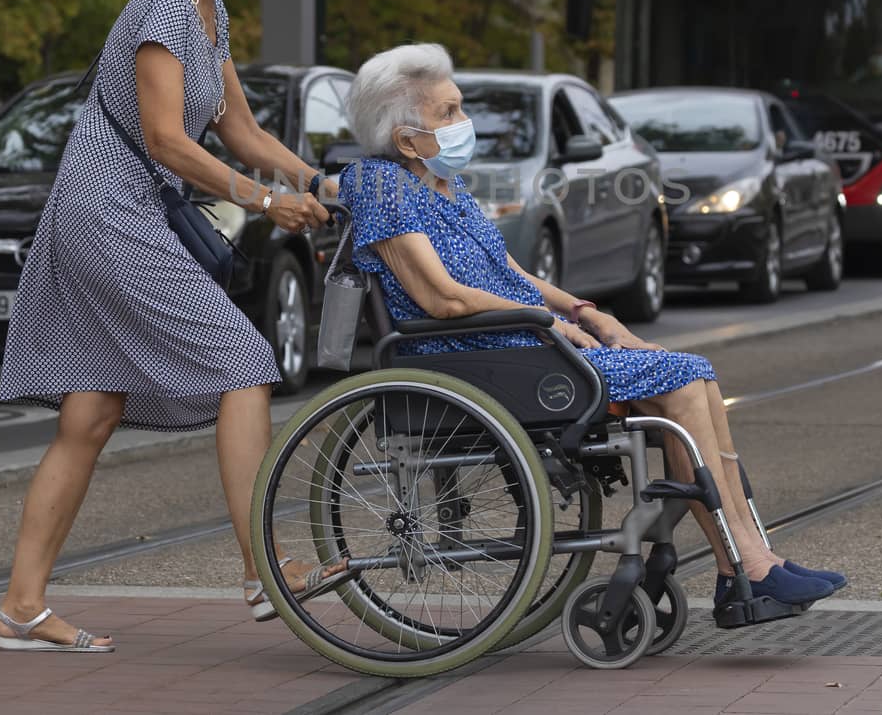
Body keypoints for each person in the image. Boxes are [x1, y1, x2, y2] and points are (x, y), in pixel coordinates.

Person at [337, 43, 846, 611]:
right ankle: (741, 568)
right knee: (681, 384)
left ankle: (755, 559)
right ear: (407, 138)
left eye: (461, 108)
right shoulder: (380, 185)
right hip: (485, 353)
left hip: (524, 340)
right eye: (448, 113)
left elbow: (511, 272)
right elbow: (444, 300)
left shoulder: (441, 185)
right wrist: (555, 325)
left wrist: (586, 312)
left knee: (697, 381)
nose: (465, 123)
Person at [0, 0, 336, 653]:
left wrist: (316, 176)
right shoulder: (161, 3)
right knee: (244, 360)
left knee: (91, 410)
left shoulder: (207, 12)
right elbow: (166, 139)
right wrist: (262, 199)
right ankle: (263, 569)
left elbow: (240, 129)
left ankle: (21, 605)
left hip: (116, 209)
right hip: (108, 213)